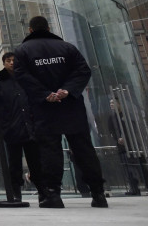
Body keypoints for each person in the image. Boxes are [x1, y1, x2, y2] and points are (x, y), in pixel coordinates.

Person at [14, 15, 108, 208]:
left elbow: (22, 76)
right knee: (83, 149)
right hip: (71, 106)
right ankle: (98, 194)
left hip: (44, 109)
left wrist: (45, 94)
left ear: (30, 30)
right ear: (48, 28)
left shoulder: (23, 50)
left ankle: (53, 195)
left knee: (50, 151)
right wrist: (67, 90)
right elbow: (83, 71)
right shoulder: (67, 48)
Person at [0, 52, 42, 202]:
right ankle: (15, 191)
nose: (12, 63)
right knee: (14, 162)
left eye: (14, 60)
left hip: (29, 126)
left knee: (35, 160)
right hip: (11, 128)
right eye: (8, 61)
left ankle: (41, 189)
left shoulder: (26, 78)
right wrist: (2, 121)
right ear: (3, 63)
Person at [108, 98, 142, 196]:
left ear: (119, 104)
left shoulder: (127, 115)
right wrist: (118, 138)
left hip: (131, 145)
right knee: (127, 168)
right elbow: (111, 130)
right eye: (110, 103)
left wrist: (125, 138)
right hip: (121, 147)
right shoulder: (112, 117)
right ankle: (133, 187)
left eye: (113, 103)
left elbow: (132, 128)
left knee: (133, 167)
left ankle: (136, 187)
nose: (111, 105)